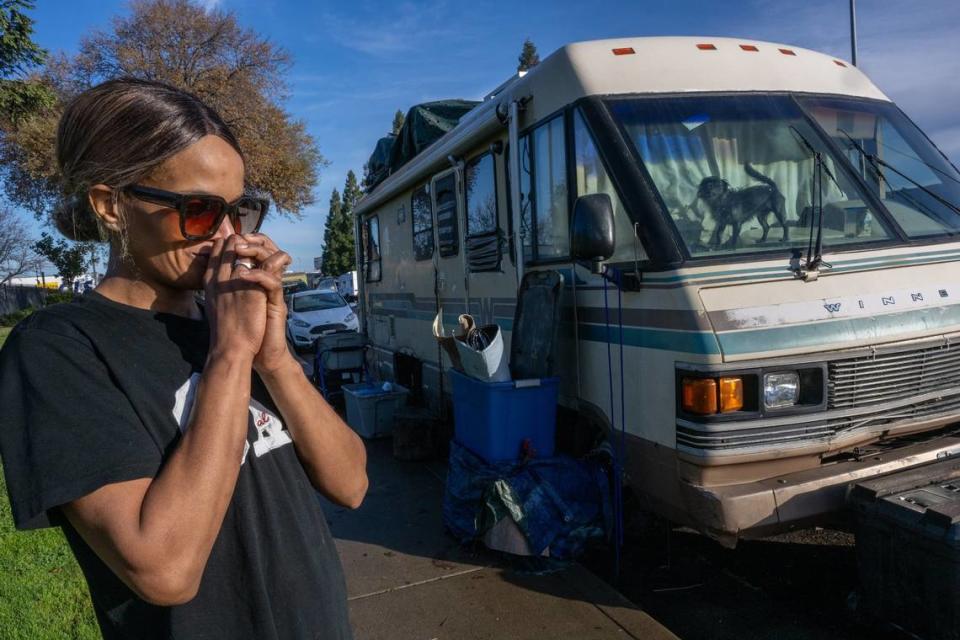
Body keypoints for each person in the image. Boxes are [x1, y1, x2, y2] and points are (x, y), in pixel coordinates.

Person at [0, 78, 367, 639]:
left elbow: (352, 485)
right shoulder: (59, 350)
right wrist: (230, 355)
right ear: (111, 206)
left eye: (239, 211)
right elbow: (164, 569)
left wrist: (274, 358)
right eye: (198, 211)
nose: (225, 235)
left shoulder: (235, 324)